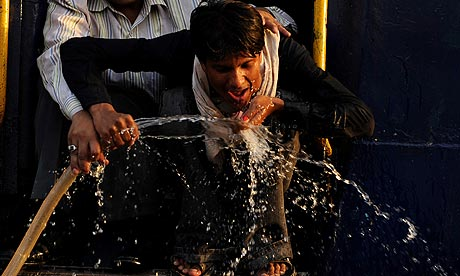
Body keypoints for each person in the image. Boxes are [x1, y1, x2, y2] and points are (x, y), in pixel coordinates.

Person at [59, 0, 375, 274]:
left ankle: (269, 247)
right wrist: (98, 109)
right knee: (178, 104)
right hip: (193, 181)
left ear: (260, 53)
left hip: (274, 184)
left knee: (284, 116)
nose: (237, 80)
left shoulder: (285, 53)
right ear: (202, 59)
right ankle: (198, 243)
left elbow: (360, 117)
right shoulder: (183, 49)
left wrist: (280, 106)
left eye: (247, 65)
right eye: (222, 69)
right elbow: (77, 52)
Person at [32, 0, 296, 269]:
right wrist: (85, 111)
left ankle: (210, 242)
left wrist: (257, 15)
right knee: (54, 104)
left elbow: (264, 20)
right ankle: (47, 223)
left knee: (188, 108)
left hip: (173, 120)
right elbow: (58, 57)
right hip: (105, 110)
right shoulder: (70, 2)